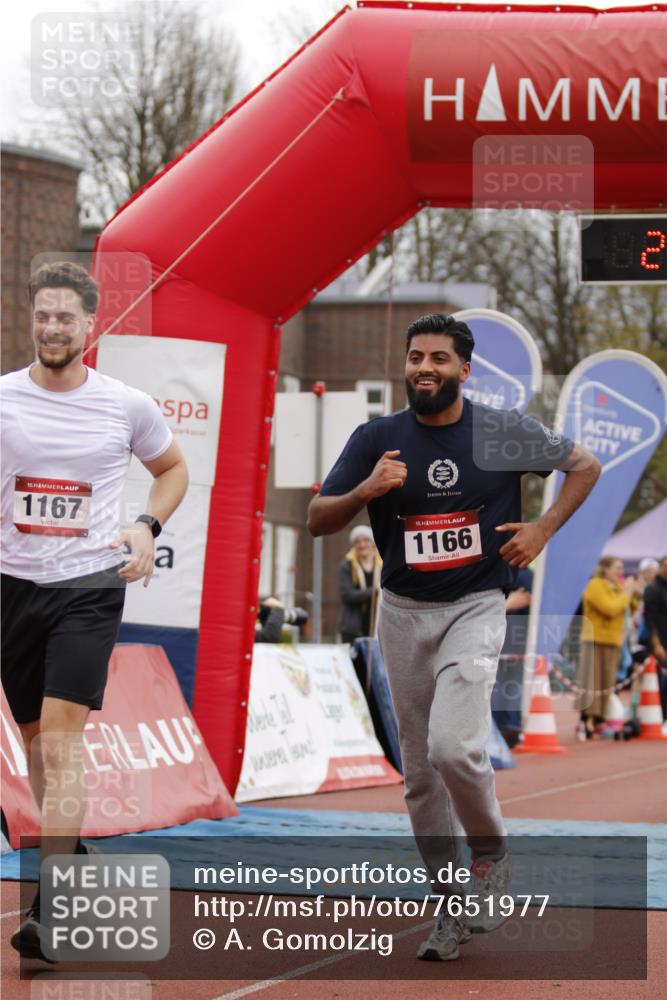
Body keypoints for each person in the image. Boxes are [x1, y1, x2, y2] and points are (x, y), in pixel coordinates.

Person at [307, 312, 600, 961]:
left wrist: (541, 530)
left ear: (463, 371)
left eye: (438, 359)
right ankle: (449, 907)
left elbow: (583, 465)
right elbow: (316, 520)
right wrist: (365, 488)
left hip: (473, 605)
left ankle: (490, 851)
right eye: (415, 358)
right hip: (401, 613)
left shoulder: (498, 430)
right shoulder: (376, 439)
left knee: (453, 746)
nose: (424, 369)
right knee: (419, 777)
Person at [1, 261, 188, 961]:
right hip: (10, 586)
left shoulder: (124, 404)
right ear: (34, 322)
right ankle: (73, 856)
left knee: (58, 738)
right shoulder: (3, 399)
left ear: (90, 326)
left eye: (65, 318)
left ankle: (49, 906)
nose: (52, 328)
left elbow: (173, 470)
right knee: (33, 747)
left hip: (87, 585)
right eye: (42, 316)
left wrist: (145, 527)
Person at [577, 556, 638, 738]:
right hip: (595, 639)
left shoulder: (617, 587)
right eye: (617, 568)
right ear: (605, 569)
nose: (621, 572)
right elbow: (610, 608)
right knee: (592, 681)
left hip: (613, 640)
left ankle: (600, 719)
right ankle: (587, 720)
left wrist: (634, 592)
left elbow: (629, 610)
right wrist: (626, 594)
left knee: (606, 683)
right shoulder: (595, 584)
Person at [337, 524, 382, 645]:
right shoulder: (347, 566)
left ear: (372, 543)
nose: (362, 545)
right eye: (357, 542)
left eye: (365, 540)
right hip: (353, 629)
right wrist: (375, 591)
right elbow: (347, 595)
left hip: (378, 626)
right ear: (354, 545)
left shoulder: (381, 564)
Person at [643, 554, 667, 728]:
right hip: (659, 641)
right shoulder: (652, 589)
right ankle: (663, 718)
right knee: (662, 683)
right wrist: (656, 644)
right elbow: (649, 620)